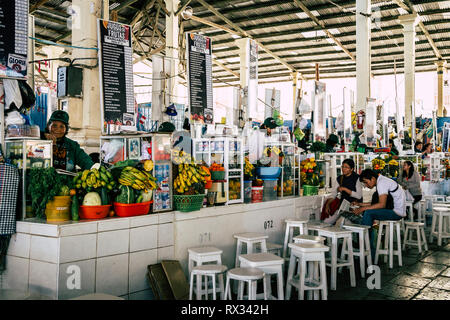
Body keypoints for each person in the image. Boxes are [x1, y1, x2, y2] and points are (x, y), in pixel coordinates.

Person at [352, 169, 406, 257]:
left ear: (372, 179)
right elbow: (376, 204)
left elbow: (381, 204)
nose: (366, 185)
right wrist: (360, 204)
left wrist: (363, 208)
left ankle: (366, 246)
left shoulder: (382, 183)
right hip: (394, 210)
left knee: (368, 213)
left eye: (366, 182)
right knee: (368, 212)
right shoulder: (381, 181)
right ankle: (366, 244)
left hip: (396, 212)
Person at [321, 158, 362, 224]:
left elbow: (359, 196)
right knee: (326, 222)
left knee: (347, 224)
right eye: (342, 167)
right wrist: (327, 205)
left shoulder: (357, 178)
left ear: (352, 169)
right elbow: (333, 194)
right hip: (342, 207)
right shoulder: (340, 178)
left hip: (354, 207)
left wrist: (345, 189)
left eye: (346, 167)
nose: (343, 169)